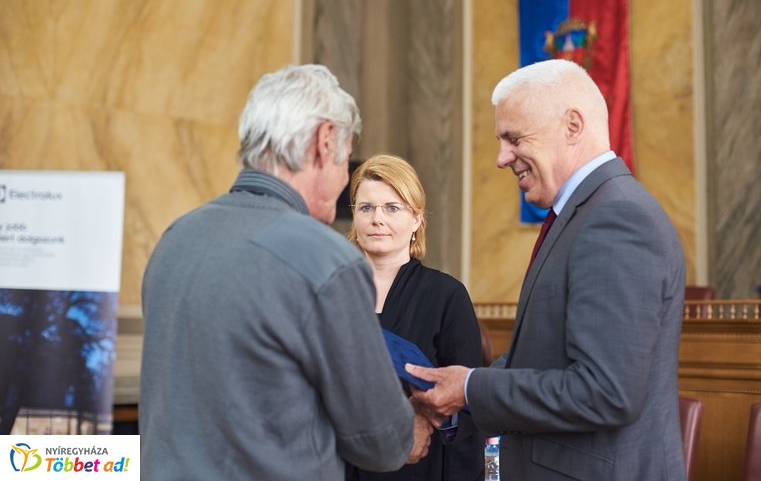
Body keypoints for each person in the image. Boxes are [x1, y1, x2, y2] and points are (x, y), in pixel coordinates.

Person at [139, 64, 431, 480]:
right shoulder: (325, 259)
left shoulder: (175, 240)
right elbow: (380, 442)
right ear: (324, 141)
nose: (344, 179)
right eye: (346, 160)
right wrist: (412, 428)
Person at [407, 59, 687, 480]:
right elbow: (540, 358)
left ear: (572, 126)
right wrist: (451, 399)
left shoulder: (617, 218)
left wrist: (469, 387)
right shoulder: (584, 214)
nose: (502, 158)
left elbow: (605, 392)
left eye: (514, 138)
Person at [344, 154, 484, 481]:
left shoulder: (446, 295)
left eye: (392, 208)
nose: (377, 219)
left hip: (418, 467)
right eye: (366, 208)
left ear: (416, 219)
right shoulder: (333, 293)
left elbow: (467, 410)